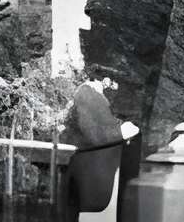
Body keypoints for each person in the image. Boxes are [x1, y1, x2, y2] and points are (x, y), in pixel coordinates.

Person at [57, 71, 140, 221]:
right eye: (114, 82)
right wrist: (122, 131)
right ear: (106, 79)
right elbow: (94, 134)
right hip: (87, 170)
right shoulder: (87, 94)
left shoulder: (92, 95)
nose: (116, 87)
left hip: (88, 170)